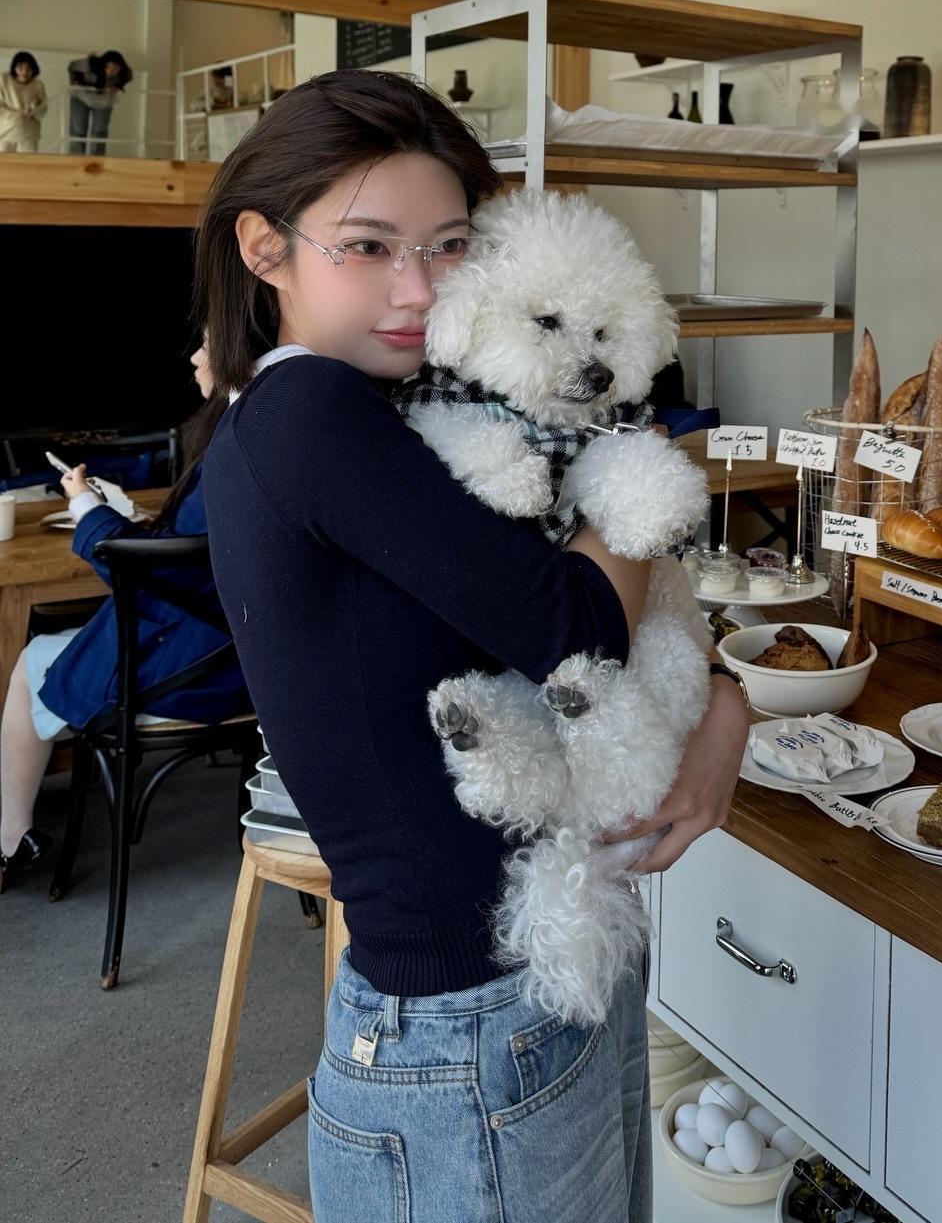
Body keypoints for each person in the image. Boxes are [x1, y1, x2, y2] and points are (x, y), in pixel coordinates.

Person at [197, 68, 748, 1223]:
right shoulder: (312, 413)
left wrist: (721, 692)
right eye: (368, 245)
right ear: (264, 247)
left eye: (447, 246)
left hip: (529, 985)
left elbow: (524, 608)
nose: (416, 287)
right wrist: (619, 437)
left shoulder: (390, 406)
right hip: (465, 1035)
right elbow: (579, 626)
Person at [0, 341, 246, 890]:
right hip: (232, 661)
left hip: (196, 671)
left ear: (236, 352)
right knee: (54, 647)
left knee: (30, 660)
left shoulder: (230, 450)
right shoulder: (251, 437)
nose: (195, 358)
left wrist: (86, 506)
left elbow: (154, 572)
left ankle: (9, 839)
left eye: (207, 345)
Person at [67, 48, 132, 155]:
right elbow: (72, 66)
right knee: (78, 128)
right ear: (104, 64)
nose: (111, 71)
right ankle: (76, 157)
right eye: (109, 67)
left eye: (116, 69)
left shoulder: (124, 74)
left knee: (100, 130)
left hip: (104, 99)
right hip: (80, 95)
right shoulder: (89, 64)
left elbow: (127, 77)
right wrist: (77, 81)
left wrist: (118, 86)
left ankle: (97, 158)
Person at [0, 51, 46, 152]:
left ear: (34, 69)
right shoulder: (3, 79)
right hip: (5, 131)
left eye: (29, 69)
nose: (24, 72)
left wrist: (34, 109)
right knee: (3, 161)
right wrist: (16, 115)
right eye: (20, 68)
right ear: (14, 68)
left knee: (27, 161)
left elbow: (42, 111)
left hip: (28, 134)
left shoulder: (38, 84)